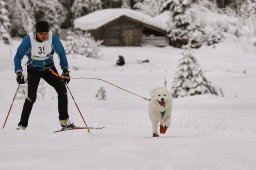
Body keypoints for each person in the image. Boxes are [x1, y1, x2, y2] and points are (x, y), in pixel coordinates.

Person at [14, 21, 75, 130]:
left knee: (62, 89)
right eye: (41, 33)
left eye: (46, 33)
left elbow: (61, 53)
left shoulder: (53, 38)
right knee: (31, 97)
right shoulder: (29, 40)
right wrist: (19, 72)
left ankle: (64, 120)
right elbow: (18, 57)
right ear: (36, 33)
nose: (44, 36)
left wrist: (65, 70)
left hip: (49, 68)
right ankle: (22, 125)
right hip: (33, 69)